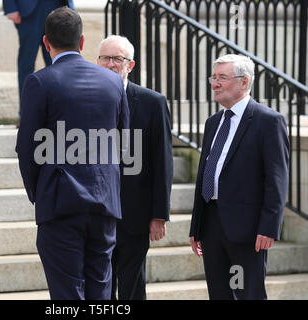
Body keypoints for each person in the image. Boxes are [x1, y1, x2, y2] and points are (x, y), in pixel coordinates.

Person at [15, 7, 129, 300]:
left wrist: (39, 192)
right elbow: (123, 142)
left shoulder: (39, 81)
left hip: (60, 202)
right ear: (82, 42)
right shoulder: (114, 81)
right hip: (104, 203)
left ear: (45, 42)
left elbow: (27, 148)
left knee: (67, 293)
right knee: (100, 290)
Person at [189, 54, 289, 300]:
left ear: (244, 82)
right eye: (214, 77)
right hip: (212, 225)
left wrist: (269, 227)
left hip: (247, 230)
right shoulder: (213, 122)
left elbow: (276, 180)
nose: (215, 84)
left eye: (222, 77)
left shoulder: (268, 121)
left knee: (248, 294)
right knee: (220, 294)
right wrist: (196, 226)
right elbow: (205, 174)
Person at [97, 35, 173, 300]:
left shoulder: (152, 103)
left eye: (117, 59)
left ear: (130, 65)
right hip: (97, 213)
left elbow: (162, 161)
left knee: (132, 286)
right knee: (99, 287)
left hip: (136, 215)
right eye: (105, 58)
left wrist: (159, 214)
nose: (110, 64)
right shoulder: (86, 99)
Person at [2, 0, 75, 113]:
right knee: (26, 65)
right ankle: (26, 113)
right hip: (29, 12)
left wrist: (71, 7)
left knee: (57, 64)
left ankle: (58, 111)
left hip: (58, 7)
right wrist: (10, 6)